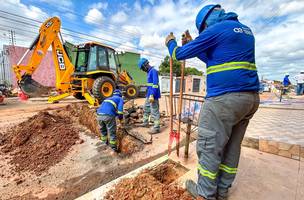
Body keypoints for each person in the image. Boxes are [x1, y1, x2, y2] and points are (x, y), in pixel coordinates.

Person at [165, 4, 260, 200]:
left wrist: (171, 43)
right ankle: (222, 191)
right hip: (250, 99)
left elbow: (179, 54)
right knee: (232, 147)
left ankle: (205, 193)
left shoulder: (216, 29)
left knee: (208, 146)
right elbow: (211, 57)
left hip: (224, 100)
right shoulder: (245, 30)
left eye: (202, 31)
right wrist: (195, 42)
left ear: (206, 23)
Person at [137, 58, 161, 134]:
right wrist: (147, 94)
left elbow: (155, 84)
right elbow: (149, 85)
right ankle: (145, 122)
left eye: (142, 68)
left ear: (145, 65)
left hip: (153, 95)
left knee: (154, 110)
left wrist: (152, 95)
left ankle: (156, 127)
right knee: (146, 108)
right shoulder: (149, 72)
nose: (142, 70)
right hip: (149, 95)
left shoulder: (153, 71)